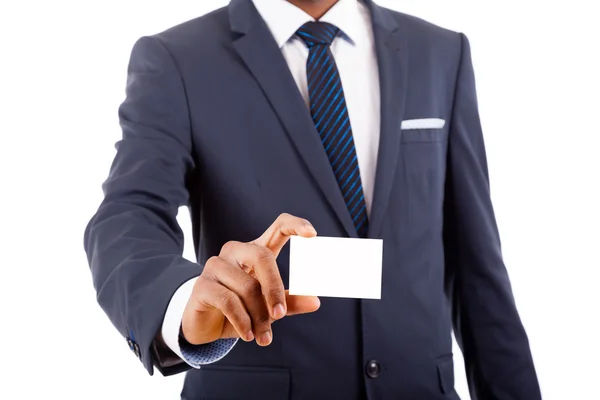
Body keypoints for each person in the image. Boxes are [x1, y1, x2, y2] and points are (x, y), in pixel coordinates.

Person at [84, 0, 541, 398]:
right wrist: (183, 301)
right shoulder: (177, 59)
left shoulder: (441, 53)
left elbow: (477, 267)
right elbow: (129, 213)